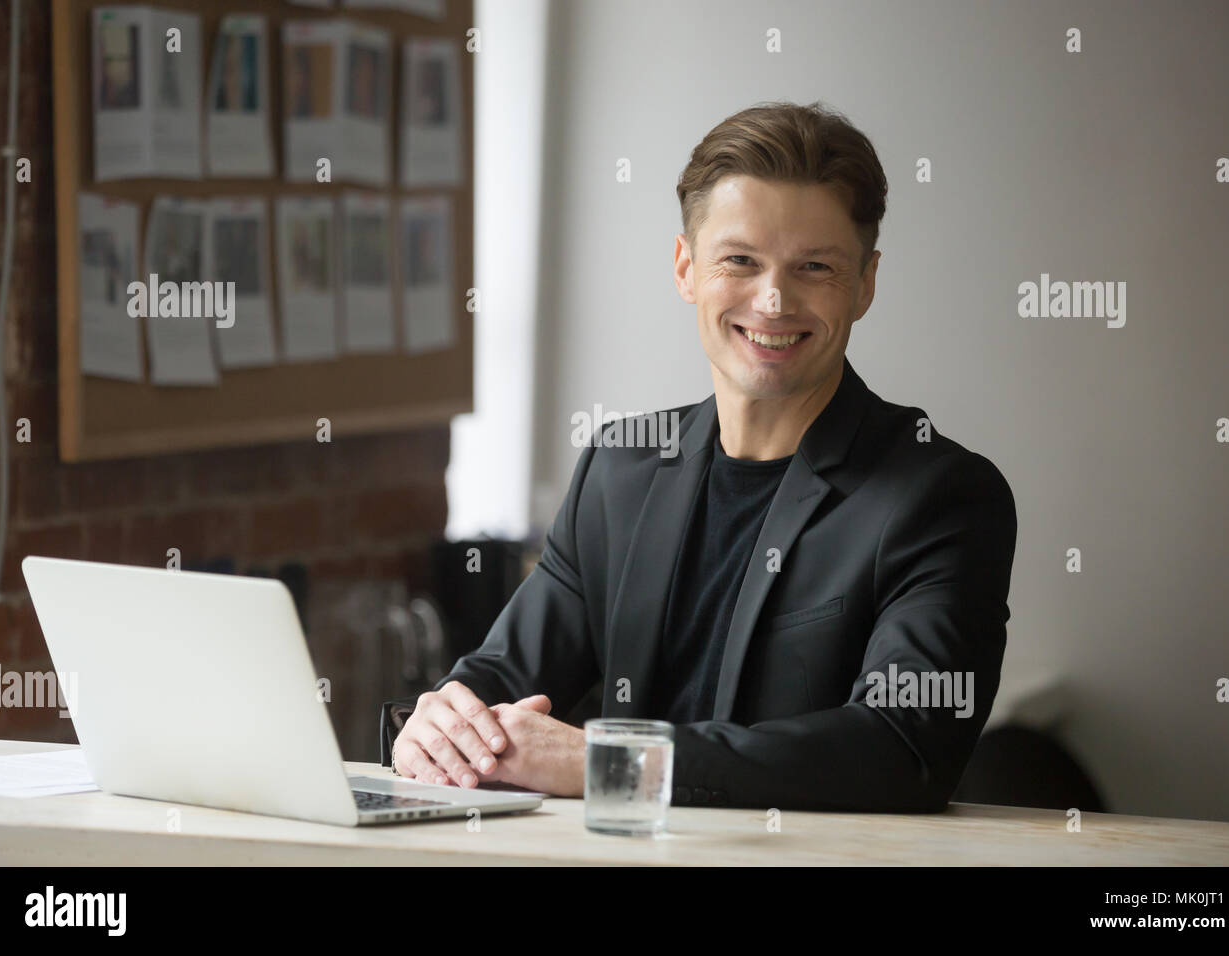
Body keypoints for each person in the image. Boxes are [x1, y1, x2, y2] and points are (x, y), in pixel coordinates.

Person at [390, 101, 1018, 812]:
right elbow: (497, 683)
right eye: (740, 261)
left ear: (865, 283)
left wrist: (612, 763)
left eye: (814, 266)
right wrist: (439, 724)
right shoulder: (618, 470)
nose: (774, 299)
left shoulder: (941, 496)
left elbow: (903, 748)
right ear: (687, 268)